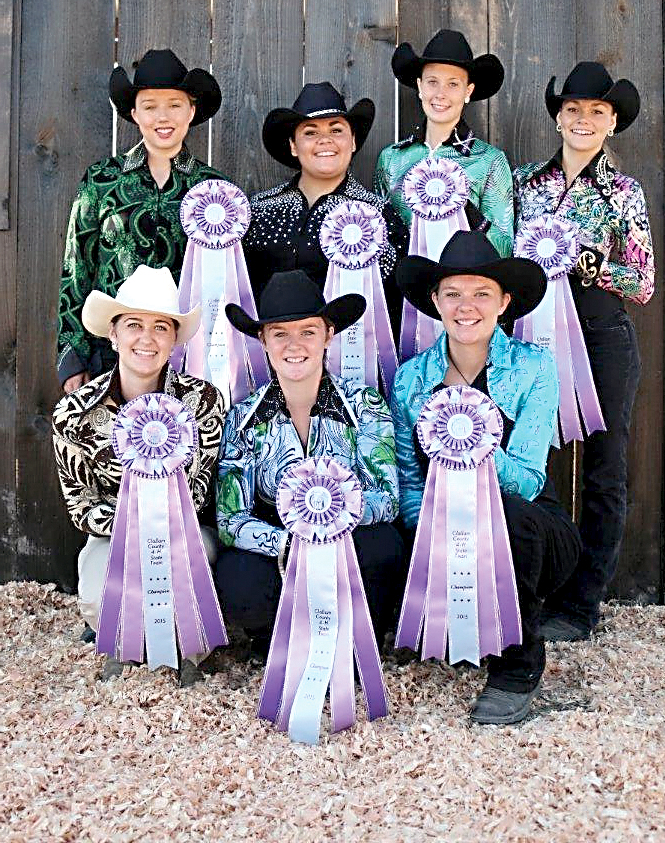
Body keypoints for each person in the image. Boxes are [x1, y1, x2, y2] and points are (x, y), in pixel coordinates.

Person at [391, 231, 581, 724]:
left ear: (504, 302)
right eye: (452, 293)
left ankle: (517, 668)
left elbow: (526, 478)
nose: (466, 306)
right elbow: (410, 484)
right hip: (441, 529)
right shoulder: (410, 378)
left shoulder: (535, 368)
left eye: (481, 293)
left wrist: (466, 438)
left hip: (530, 527)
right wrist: (432, 538)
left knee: (510, 514)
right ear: (435, 301)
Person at [514, 62, 655, 642]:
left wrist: (588, 263)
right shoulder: (526, 184)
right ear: (558, 117)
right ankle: (536, 583)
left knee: (604, 468)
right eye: (572, 109)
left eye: (596, 111)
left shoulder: (624, 192)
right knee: (530, 461)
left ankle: (583, 601)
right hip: (535, 335)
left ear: (612, 122)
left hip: (600, 336)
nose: (582, 119)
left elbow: (642, 282)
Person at [214, 269, 405, 657]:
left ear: (328, 335)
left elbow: (388, 497)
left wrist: (333, 525)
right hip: (280, 548)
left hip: (349, 544)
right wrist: (290, 543)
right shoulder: (242, 419)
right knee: (238, 576)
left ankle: (355, 644)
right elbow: (230, 519)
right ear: (262, 340)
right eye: (280, 333)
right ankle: (276, 642)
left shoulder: (366, 407)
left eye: (308, 331)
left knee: (384, 547)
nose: (294, 344)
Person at [52, 265, 226, 685]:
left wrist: (161, 523)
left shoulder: (203, 402)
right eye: (134, 325)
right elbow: (81, 504)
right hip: (111, 535)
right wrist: (132, 524)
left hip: (185, 533)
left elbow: (200, 489)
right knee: (96, 589)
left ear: (173, 339)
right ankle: (122, 638)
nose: (146, 339)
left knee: (196, 562)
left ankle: (188, 650)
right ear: (112, 335)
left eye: (161, 327)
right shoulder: (74, 413)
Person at [58, 48, 223, 393]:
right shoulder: (101, 180)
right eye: (150, 106)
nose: (163, 117)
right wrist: (73, 355)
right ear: (134, 113)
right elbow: (77, 269)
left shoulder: (216, 189)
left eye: (175, 105)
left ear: (191, 111)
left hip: (190, 357)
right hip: (110, 354)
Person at [242, 81, 408, 307]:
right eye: (310, 132)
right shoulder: (258, 209)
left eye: (336, 130)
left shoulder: (378, 215)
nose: (325, 140)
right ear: (293, 145)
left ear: (352, 142)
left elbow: (396, 300)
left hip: (352, 341)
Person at [374, 29, 513, 257]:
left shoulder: (490, 161)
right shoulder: (391, 159)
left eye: (453, 84)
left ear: (468, 91)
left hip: (463, 285)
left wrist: (465, 209)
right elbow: (378, 241)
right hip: (404, 286)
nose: (440, 94)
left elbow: (506, 248)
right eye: (432, 82)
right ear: (420, 87)